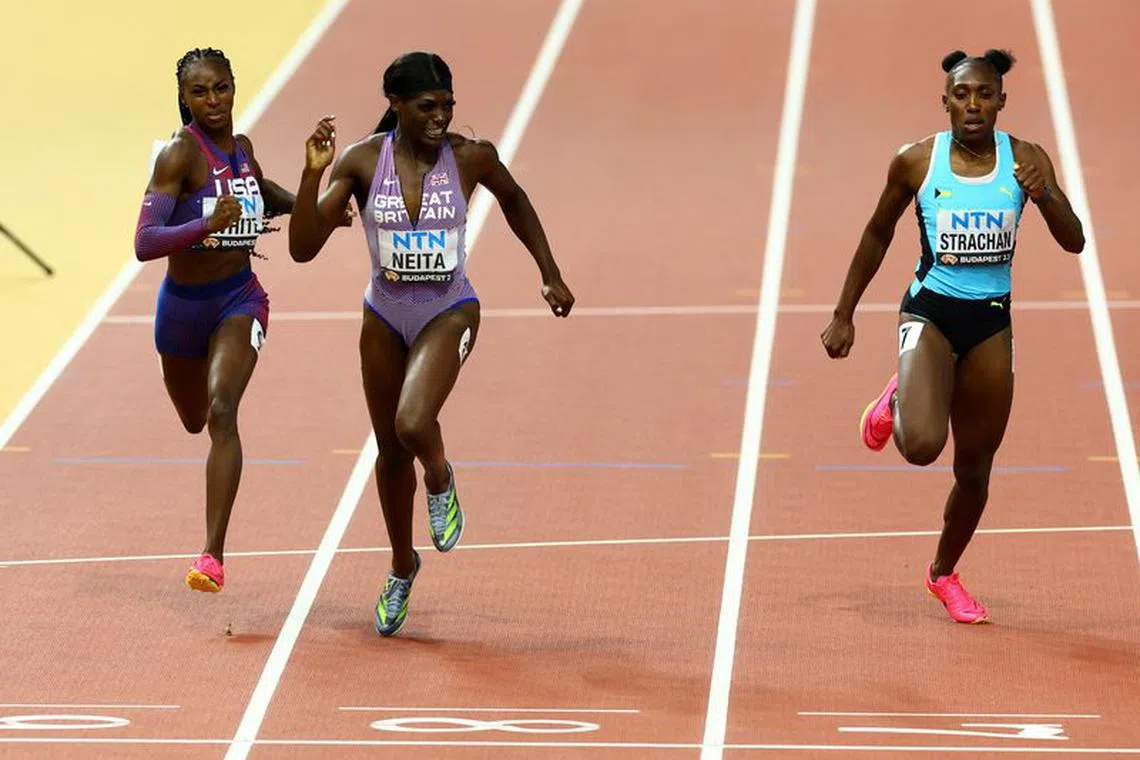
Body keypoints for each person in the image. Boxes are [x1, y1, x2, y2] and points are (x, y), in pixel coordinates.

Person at [288, 51, 574, 637]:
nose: (441, 117)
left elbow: (515, 199)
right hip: (384, 318)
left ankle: (441, 480)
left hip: (449, 309)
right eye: (427, 107)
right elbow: (302, 247)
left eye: (448, 105)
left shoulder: (471, 158)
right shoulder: (364, 162)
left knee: (414, 425)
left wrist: (548, 269)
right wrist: (313, 173)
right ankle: (401, 566)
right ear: (395, 104)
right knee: (390, 453)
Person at [820, 49, 1084, 624]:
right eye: (961, 94)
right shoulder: (917, 162)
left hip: (991, 322)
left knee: (975, 471)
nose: (972, 105)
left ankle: (943, 575)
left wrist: (1047, 195)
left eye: (984, 94)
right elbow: (877, 232)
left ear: (1001, 101)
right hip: (931, 315)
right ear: (945, 101)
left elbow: (1075, 241)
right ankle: (896, 397)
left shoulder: (1027, 160)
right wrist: (844, 313)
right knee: (920, 448)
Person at [133, 48, 333, 593]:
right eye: (200, 92)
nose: (213, 100)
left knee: (222, 411)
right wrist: (202, 226)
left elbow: (261, 196)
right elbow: (144, 243)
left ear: (233, 86)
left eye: (221, 87)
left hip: (239, 299)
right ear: (184, 98)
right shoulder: (178, 156)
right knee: (194, 418)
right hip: (181, 310)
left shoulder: (242, 149)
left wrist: (323, 207)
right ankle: (185, 377)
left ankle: (211, 557)